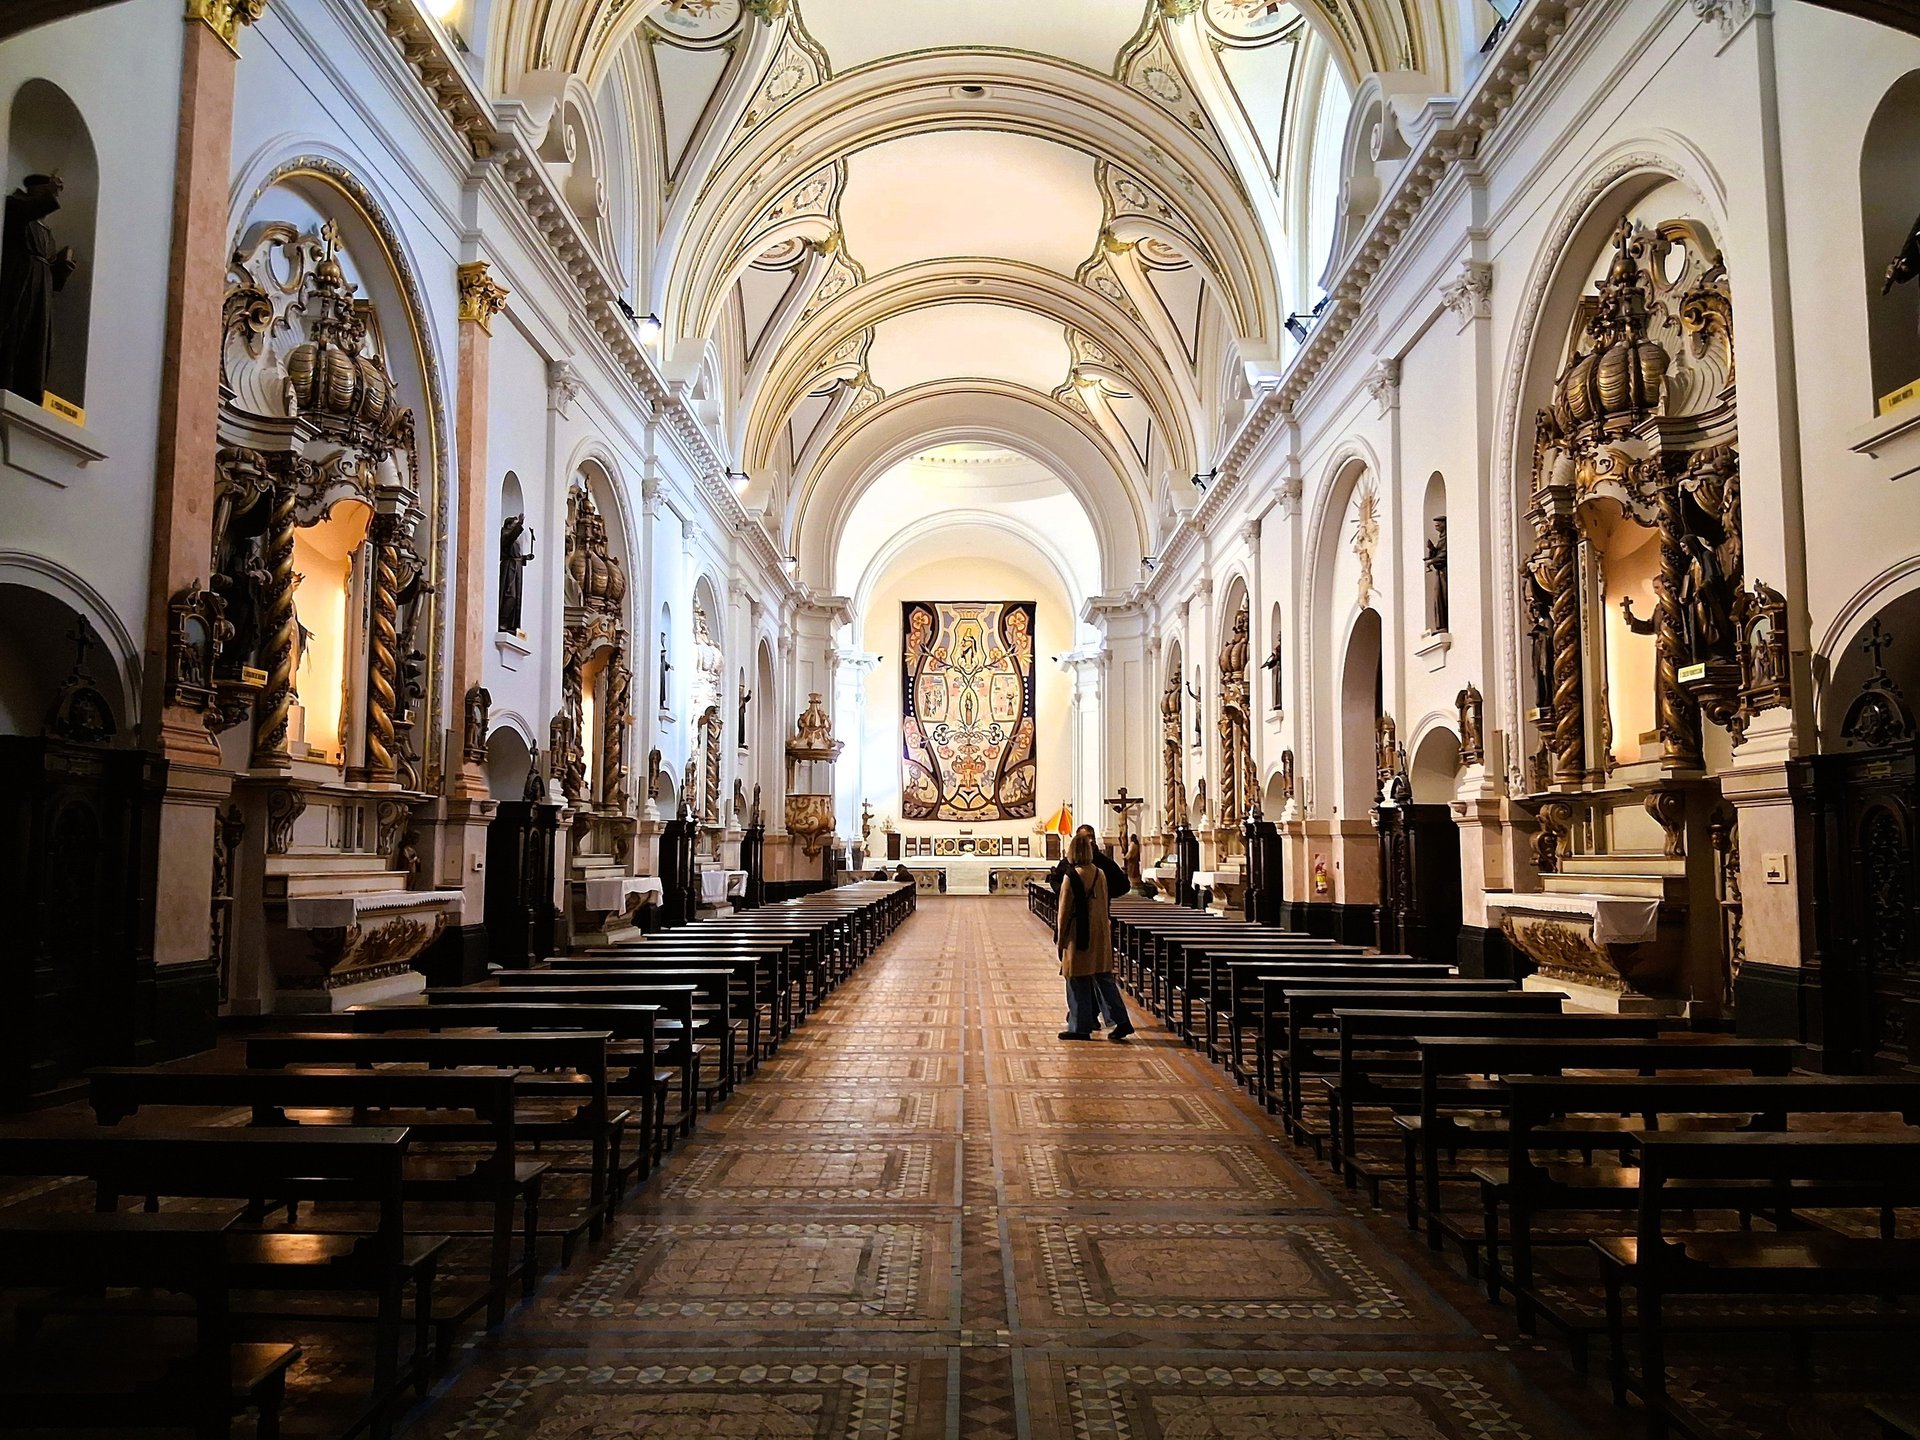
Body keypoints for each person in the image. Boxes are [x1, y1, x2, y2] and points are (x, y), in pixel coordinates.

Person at [1054, 831, 1135, 1043]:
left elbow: (1063, 912)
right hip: (1100, 933)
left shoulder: (1071, 876)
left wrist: (1060, 941)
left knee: (1076, 980)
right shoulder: (1100, 873)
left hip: (1078, 934)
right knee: (1104, 979)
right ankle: (1121, 1021)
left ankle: (1080, 1027)